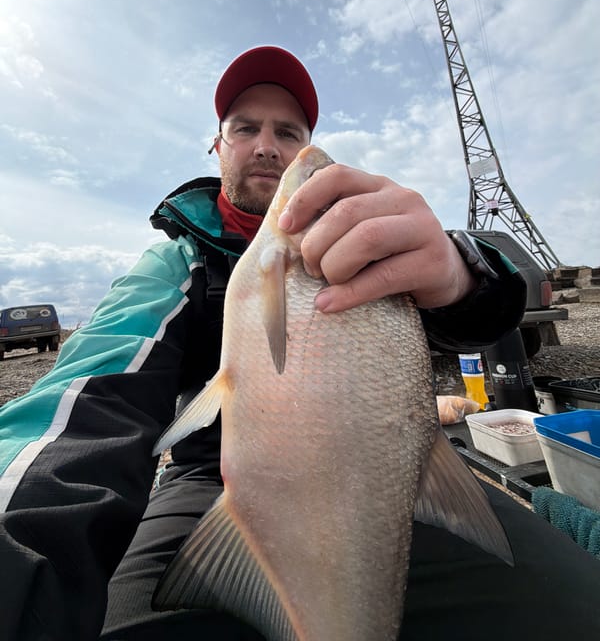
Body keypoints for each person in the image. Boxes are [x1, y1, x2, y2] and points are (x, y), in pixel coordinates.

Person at [0, 45, 598, 640]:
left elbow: (487, 311)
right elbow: (87, 395)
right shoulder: (177, 261)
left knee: (576, 606)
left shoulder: (366, 237)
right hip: (214, 484)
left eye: (288, 131)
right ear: (218, 146)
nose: (268, 144)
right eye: (245, 128)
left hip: (387, 475)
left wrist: (462, 271)